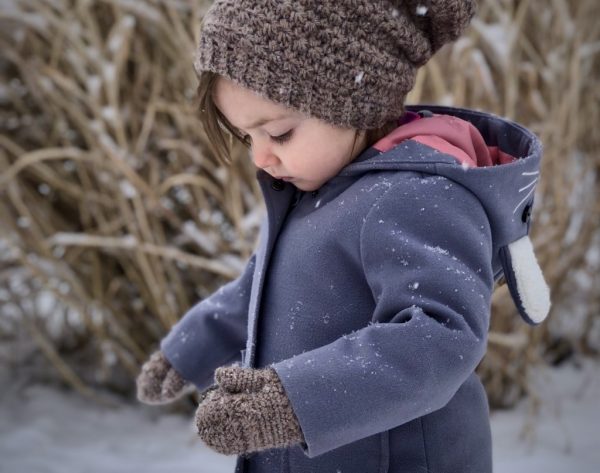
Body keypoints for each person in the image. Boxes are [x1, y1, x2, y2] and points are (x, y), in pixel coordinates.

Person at [136, 1, 551, 472]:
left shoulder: (413, 197)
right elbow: (269, 291)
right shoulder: (323, 188)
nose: (260, 158)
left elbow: (440, 337)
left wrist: (290, 404)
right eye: (246, 137)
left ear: (357, 101)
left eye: (278, 133)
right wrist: (192, 345)